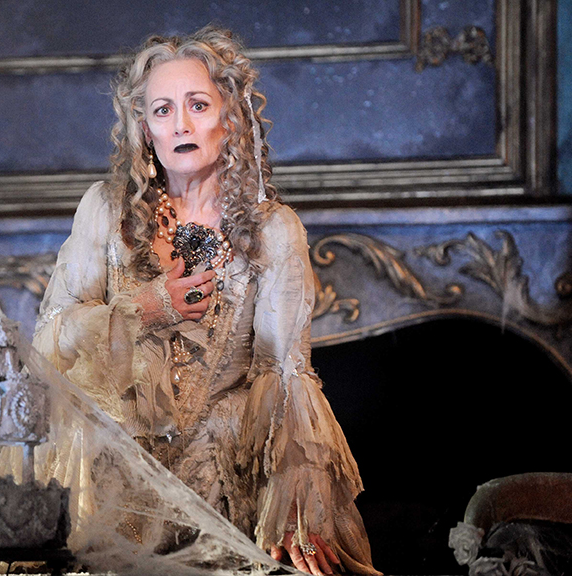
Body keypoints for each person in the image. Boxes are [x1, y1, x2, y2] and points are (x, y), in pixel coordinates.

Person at [33, 26, 380, 576]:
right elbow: (52, 338)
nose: (181, 124)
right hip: (113, 474)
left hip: (221, 478)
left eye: (198, 105)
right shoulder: (106, 211)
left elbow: (284, 374)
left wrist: (294, 514)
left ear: (231, 118)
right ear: (145, 128)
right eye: (163, 110)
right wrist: (145, 309)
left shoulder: (273, 231)